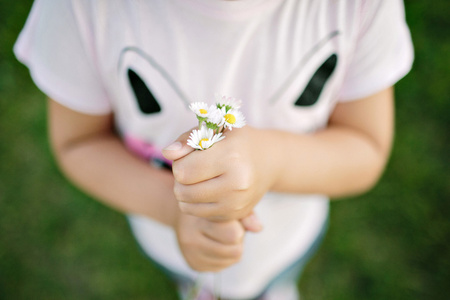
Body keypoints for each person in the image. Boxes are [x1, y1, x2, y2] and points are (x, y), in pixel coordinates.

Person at [14, 0, 414, 299]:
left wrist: (273, 161)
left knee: (275, 281)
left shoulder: (360, 7)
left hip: (286, 239)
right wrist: (175, 211)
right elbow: (78, 143)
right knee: (194, 280)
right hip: (168, 240)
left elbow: (366, 148)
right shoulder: (80, 10)